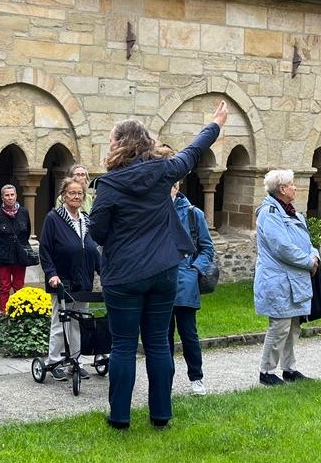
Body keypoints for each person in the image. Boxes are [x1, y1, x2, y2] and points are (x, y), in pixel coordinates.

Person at [89, 101, 228, 430]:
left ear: (122, 143)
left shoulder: (109, 185)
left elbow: (96, 231)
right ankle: (161, 414)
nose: (109, 144)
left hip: (124, 273)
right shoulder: (163, 171)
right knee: (157, 342)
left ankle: (120, 415)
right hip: (164, 270)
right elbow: (194, 151)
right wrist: (216, 125)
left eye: (111, 139)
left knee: (123, 344)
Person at [255, 169, 319, 386]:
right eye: (292, 184)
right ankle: (266, 371)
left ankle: (289, 369)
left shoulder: (293, 213)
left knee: (293, 326)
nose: (295, 188)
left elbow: (307, 242)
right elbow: (282, 247)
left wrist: (315, 255)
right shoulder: (270, 213)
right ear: (282, 189)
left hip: (295, 279)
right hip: (279, 280)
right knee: (279, 326)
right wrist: (309, 262)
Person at [40, 178, 100, 381]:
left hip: (84, 279)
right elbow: (45, 249)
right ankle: (54, 360)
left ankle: (76, 362)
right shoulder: (53, 218)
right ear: (63, 195)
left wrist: (104, 272)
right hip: (62, 280)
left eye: (80, 193)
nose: (76, 196)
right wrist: (51, 274)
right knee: (60, 322)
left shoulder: (86, 219)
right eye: (72, 193)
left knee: (80, 323)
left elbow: (92, 250)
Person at [168, 181, 215, 396]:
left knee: (189, 334)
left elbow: (207, 248)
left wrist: (195, 269)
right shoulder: (152, 211)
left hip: (185, 282)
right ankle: (164, 379)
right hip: (160, 283)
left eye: (171, 185)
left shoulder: (193, 214)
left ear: (177, 187)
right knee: (161, 337)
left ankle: (196, 378)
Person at [0, 184, 33, 315]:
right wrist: (3, 247)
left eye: (12, 195)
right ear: (2, 198)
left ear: (16, 196)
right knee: (4, 287)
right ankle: (4, 314)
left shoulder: (24, 212)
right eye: (7, 195)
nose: (10, 198)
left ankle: (18, 314)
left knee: (19, 286)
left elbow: (27, 232)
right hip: (3, 256)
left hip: (20, 256)